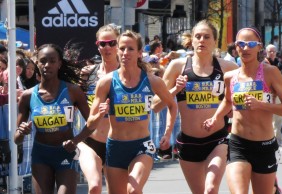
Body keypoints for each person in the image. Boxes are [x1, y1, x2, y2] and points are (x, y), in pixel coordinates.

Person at [204, 27, 282, 194]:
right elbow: (227, 100)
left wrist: (261, 105)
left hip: (265, 146)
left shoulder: (270, 72)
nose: (245, 48)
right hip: (238, 144)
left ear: (259, 47)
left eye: (251, 44)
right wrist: (215, 117)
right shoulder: (230, 76)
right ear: (235, 47)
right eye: (241, 44)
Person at [86, 30, 178, 194]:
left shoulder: (152, 81)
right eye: (122, 48)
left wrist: (168, 132)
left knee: (133, 190)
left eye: (130, 49)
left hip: (142, 146)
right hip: (115, 147)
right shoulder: (106, 82)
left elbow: (171, 104)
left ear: (140, 53)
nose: (125, 53)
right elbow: (90, 123)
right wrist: (100, 114)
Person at [152, 19, 238, 194]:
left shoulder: (228, 67)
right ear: (191, 40)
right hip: (188, 142)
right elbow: (155, 105)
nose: (202, 40)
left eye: (207, 37)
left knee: (211, 189)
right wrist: (176, 88)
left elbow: (240, 100)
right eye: (197, 36)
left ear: (215, 41)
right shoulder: (178, 67)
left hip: (217, 139)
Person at [14, 44, 108, 194]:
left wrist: (76, 140)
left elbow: (91, 124)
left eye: (52, 61)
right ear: (36, 63)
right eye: (43, 61)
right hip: (41, 155)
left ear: (59, 64)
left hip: (66, 152)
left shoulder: (73, 91)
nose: (47, 65)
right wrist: (22, 131)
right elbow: (16, 139)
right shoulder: (28, 96)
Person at [77, 24, 120, 194]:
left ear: (118, 44)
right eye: (103, 44)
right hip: (91, 140)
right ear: (97, 45)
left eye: (112, 43)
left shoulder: (126, 73)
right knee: (94, 186)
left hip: (117, 142)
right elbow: (77, 100)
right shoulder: (88, 72)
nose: (107, 47)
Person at [264, 44, 282, 147]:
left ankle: (278, 140)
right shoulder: (264, 63)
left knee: (279, 118)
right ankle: (272, 140)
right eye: (270, 51)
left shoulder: (279, 63)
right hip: (268, 94)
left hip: (278, 93)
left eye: (274, 51)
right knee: (270, 118)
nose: (272, 53)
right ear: (266, 52)